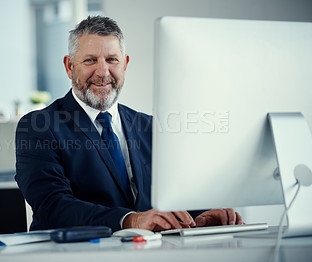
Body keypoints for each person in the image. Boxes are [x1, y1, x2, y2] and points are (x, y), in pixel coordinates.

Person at [15, 16, 243, 232]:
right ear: (69, 66)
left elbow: (172, 195)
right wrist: (129, 220)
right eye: (90, 60)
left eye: (112, 60)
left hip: (147, 252)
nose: (103, 72)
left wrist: (202, 215)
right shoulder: (38, 126)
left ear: (124, 64)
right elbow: (52, 206)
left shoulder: (150, 127)